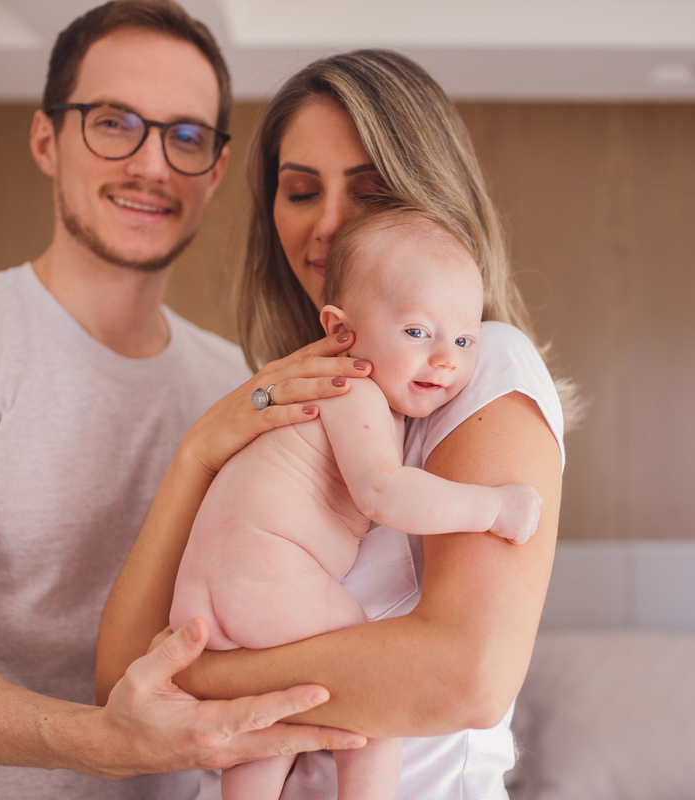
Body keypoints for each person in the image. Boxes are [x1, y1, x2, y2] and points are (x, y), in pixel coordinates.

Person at [0, 2, 371, 798]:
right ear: (47, 138)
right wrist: (104, 742)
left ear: (215, 171)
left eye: (185, 137)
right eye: (114, 123)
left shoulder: (240, 385)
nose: (151, 165)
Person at [98, 49, 569, 799]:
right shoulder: (286, 396)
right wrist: (198, 453)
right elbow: (118, 682)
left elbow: (469, 676)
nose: (328, 223)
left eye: (370, 188)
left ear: (431, 195)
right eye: (300, 190)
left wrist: (199, 678)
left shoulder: (485, 367)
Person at [168, 204, 543, 800]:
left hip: (211, 594)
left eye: (464, 338)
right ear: (342, 331)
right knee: (375, 695)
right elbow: (385, 492)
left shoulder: (312, 396)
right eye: (418, 332)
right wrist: (493, 509)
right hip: (263, 576)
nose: (446, 358)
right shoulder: (352, 389)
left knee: (270, 717)